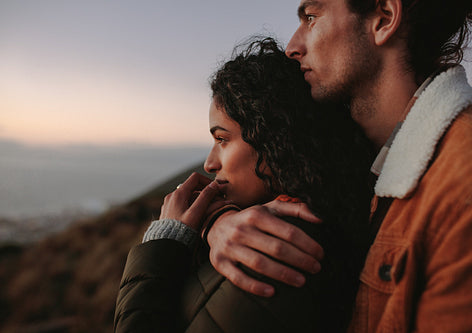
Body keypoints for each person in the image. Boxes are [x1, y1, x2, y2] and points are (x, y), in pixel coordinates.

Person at [204, 0, 472, 332]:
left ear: (384, 18)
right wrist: (217, 221)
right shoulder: (347, 155)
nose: (292, 46)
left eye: (312, 17)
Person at [114, 38, 374, 332]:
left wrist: (167, 240)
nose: (210, 164)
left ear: (276, 139)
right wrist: (212, 222)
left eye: (222, 139)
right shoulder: (289, 218)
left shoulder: (275, 250)